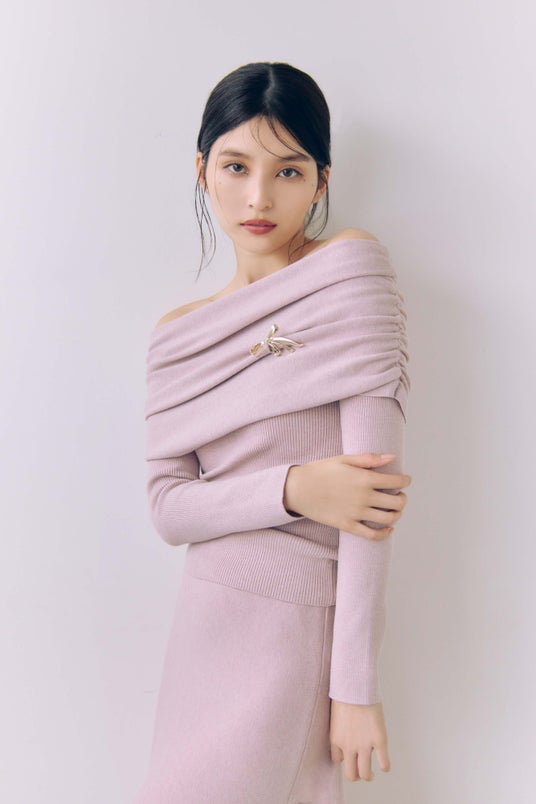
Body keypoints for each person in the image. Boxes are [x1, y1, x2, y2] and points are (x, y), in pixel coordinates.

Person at [135, 62, 411, 804]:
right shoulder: (176, 336)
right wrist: (293, 489)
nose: (259, 197)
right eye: (236, 166)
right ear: (202, 170)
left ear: (321, 181)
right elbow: (168, 509)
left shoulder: (349, 276)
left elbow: (373, 509)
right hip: (205, 624)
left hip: (295, 630)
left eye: (288, 171)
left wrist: (354, 688)